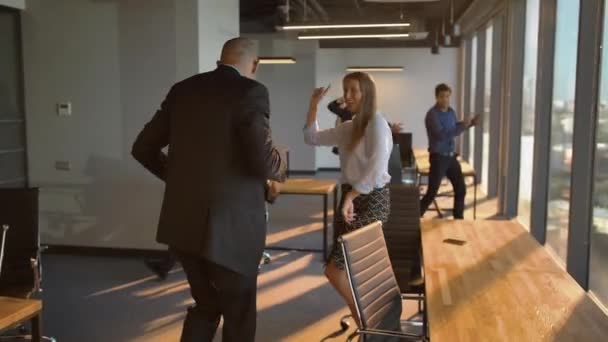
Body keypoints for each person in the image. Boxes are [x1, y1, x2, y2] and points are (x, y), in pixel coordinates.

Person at [131, 37, 286, 342]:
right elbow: (265, 163)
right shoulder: (251, 91)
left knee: (206, 305)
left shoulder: (183, 90)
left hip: (182, 226)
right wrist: (281, 165)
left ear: (221, 59)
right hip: (232, 230)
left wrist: (176, 179)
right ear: (255, 65)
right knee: (239, 313)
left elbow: (142, 148)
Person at [303, 72, 396, 328]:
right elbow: (311, 138)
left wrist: (351, 197)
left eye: (353, 90)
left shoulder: (377, 123)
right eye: (345, 90)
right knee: (346, 269)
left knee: (336, 269)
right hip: (352, 199)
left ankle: (367, 324)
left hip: (370, 199)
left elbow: (377, 169)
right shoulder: (350, 127)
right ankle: (367, 324)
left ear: (367, 93)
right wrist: (313, 105)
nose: (347, 96)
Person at [419, 83, 480, 219]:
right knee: (431, 193)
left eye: (447, 96)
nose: (445, 99)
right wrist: (463, 126)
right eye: (442, 96)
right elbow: (442, 135)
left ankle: (458, 220)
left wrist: (470, 124)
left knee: (461, 189)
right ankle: (414, 218)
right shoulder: (432, 115)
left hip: (451, 157)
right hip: (438, 158)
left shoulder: (451, 112)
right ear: (436, 97)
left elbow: (454, 128)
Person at [327, 97, 403, 154]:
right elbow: (331, 106)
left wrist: (391, 127)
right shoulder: (347, 112)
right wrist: (340, 100)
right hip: (350, 144)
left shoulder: (368, 113)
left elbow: (378, 122)